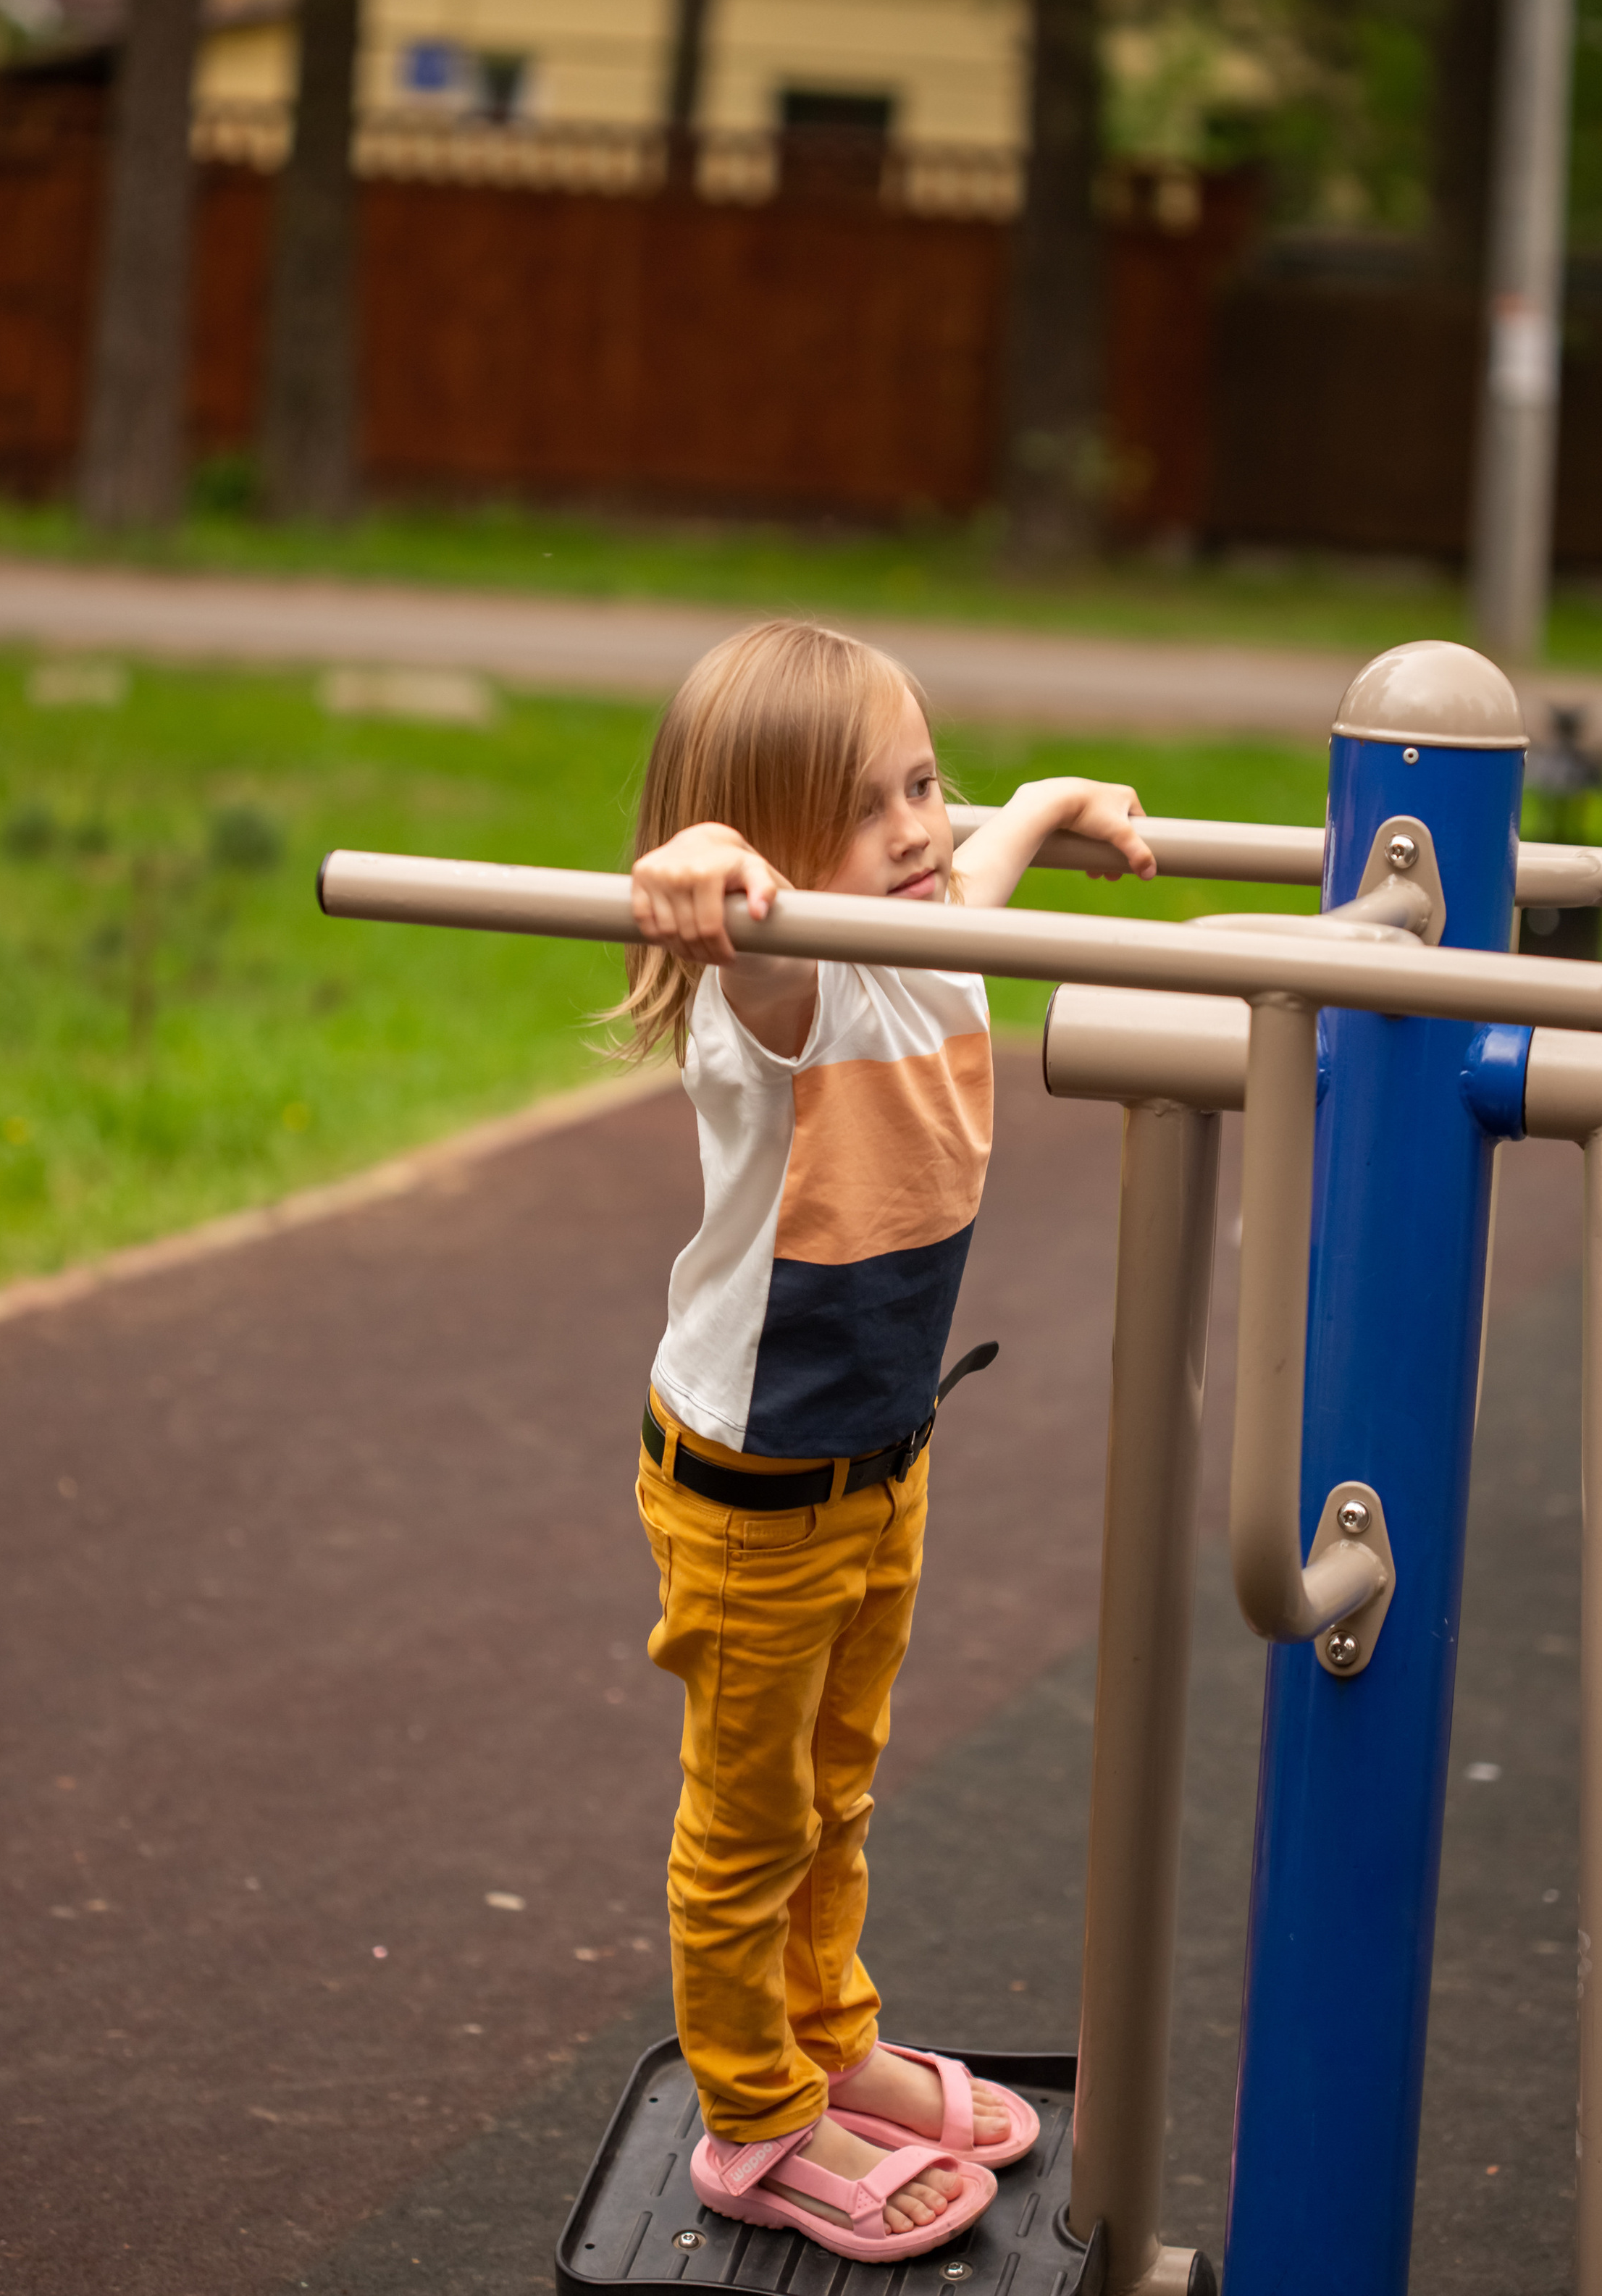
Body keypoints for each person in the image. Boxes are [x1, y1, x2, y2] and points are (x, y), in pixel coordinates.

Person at [618, 619, 1154, 2261]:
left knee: (838, 1789)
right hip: (754, 1491)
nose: (922, 828)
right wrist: (703, 869)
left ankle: (827, 2037)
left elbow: (972, 861)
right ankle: (751, 2118)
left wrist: (1054, 799)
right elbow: (757, 948)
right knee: (750, 1821)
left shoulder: (922, 927)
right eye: (873, 808)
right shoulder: (780, 992)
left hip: (881, 1457)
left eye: (923, 781)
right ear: (776, 862)